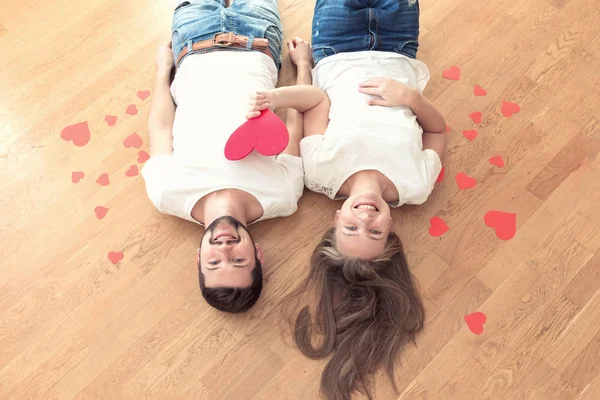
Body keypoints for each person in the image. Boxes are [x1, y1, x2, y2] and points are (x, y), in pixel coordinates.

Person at [251, 0, 447, 398]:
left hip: (336, 45)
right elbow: (438, 132)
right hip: (398, 45)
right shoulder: (415, 186)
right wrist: (410, 98)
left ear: (336, 219)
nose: (365, 217)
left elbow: (317, 102)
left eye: (351, 228)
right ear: (391, 234)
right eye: (373, 232)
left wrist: (279, 96)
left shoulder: (320, 173)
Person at [141, 0, 317, 314]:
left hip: (192, 43)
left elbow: (161, 126)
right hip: (258, 40)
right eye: (238, 259)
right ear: (258, 254)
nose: (224, 248)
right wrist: (304, 66)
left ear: (198, 258)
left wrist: (162, 72)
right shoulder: (283, 196)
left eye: (213, 262)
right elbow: (294, 121)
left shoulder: (167, 194)